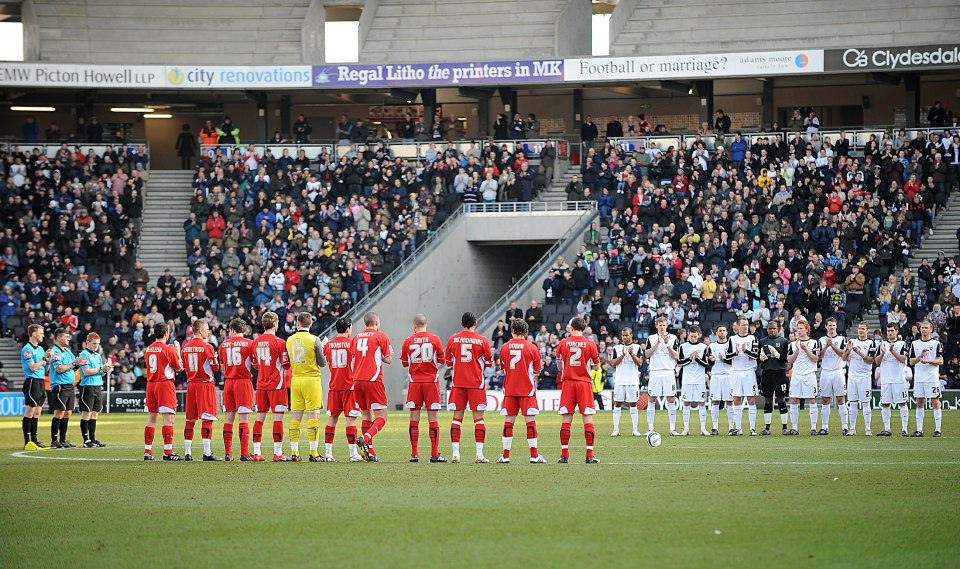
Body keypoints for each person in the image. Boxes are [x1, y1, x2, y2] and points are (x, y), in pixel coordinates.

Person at [445, 311, 493, 464]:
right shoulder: (482, 340)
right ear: (475, 324)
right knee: (478, 419)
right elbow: (489, 363)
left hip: (458, 384)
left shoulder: (453, 339)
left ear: (461, 324)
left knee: (456, 419)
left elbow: (447, 362)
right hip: (476, 384)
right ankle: (479, 454)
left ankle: (455, 453)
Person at [496, 319, 546, 464]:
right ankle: (534, 456)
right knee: (530, 421)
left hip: (510, 390)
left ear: (512, 331)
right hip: (527, 390)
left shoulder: (504, 347)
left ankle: (505, 456)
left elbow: (503, 369)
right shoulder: (532, 348)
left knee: (508, 422)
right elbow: (537, 370)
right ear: (526, 332)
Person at [400, 314, 447, 463]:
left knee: (414, 418)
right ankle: (434, 454)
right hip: (431, 382)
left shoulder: (408, 341)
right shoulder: (435, 339)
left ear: (414, 325)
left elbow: (404, 364)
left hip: (414, 383)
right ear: (426, 324)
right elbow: (442, 360)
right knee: (433, 418)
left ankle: (414, 454)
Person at [556, 317, 601, 464]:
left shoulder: (562, 343)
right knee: (587, 417)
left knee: (566, 419)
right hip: (584, 383)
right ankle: (589, 454)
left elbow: (559, 367)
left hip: (568, 383)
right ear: (583, 328)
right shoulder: (590, 344)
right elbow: (596, 367)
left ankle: (564, 455)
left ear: (571, 327)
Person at [286, 312, 328, 462]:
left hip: (296, 379)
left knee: (296, 416)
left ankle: (295, 453)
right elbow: (322, 363)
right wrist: (322, 347)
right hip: (311, 379)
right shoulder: (315, 340)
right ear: (310, 324)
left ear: (297, 324)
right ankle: (313, 453)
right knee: (313, 415)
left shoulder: (289, 340)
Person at [353, 311, 394, 462]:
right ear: (377, 323)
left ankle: (369, 452)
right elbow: (388, 359)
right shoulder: (381, 336)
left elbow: (354, 356)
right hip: (373, 379)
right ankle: (366, 437)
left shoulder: (356, 337)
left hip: (357, 380)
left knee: (366, 416)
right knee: (382, 416)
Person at [322, 317, 364, 462]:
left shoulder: (328, 345)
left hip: (334, 387)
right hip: (349, 387)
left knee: (332, 419)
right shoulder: (352, 344)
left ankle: (328, 454)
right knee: (351, 420)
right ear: (348, 329)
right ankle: (353, 454)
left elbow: (323, 361)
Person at [252, 311, 292, 462]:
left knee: (259, 418)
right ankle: (277, 453)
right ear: (275, 324)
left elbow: (255, 364)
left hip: (261, 384)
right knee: (278, 419)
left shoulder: (255, 342)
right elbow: (286, 365)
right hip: (277, 385)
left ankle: (256, 452)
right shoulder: (280, 342)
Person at [180, 320, 220, 460]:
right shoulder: (207, 346)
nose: (208, 331)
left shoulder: (186, 347)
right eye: (207, 329)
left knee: (190, 418)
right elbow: (215, 367)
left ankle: (187, 452)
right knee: (207, 418)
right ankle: (207, 452)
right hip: (204, 384)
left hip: (191, 385)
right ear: (200, 331)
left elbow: (184, 367)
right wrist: (215, 360)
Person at [143, 323, 184, 460]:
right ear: (166, 333)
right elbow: (179, 367)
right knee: (168, 418)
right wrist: (177, 351)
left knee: (151, 418)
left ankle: (147, 451)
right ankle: (168, 452)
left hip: (151, 384)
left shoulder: (148, 349)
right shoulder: (168, 349)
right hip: (164, 384)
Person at [219, 318, 255, 461]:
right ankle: (244, 453)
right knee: (244, 418)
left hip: (229, 382)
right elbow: (256, 364)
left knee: (229, 418)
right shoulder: (249, 344)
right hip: (243, 382)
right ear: (244, 330)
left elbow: (222, 368)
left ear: (231, 330)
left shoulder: (223, 345)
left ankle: (228, 453)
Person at [49, 328, 86, 449]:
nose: (68, 338)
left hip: (70, 386)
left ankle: (63, 439)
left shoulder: (68, 352)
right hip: (60, 385)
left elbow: (72, 367)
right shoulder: (55, 352)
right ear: (58, 337)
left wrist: (78, 364)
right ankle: (54, 440)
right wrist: (74, 364)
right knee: (59, 412)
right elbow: (59, 368)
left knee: (68, 413)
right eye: (66, 336)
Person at [644, 317, 680, 435]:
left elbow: (676, 356)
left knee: (671, 398)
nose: (662, 327)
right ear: (656, 326)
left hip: (668, 371)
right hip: (655, 371)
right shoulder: (651, 338)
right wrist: (658, 344)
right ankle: (650, 428)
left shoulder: (673, 338)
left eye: (664, 325)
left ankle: (672, 429)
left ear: (667, 325)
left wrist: (667, 344)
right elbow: (647, 354)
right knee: (652, 398)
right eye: (660, 325)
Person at [725, 316, 760, 436]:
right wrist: (736, 352)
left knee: (751, 398)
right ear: (738, 326)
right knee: (736, 399)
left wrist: (745, 351)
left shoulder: (753, 338)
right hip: (736, 372)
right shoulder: (732, 339)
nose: (746, 327)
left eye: (747, 325)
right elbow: (727, 357)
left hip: (749, 371)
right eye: (743, 325)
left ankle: (752, 428)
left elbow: (756, 355)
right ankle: (738, 428)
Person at [909, 321, 944, 437]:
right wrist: (920, 357)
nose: (924, 330)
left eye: (926, 328)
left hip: (932, 377)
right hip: (919, 378)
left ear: (930, 329)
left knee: (935, 402)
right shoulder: (915, 344)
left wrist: (929, 361)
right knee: (919, 402)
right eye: (922, 328)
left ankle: (937, 430)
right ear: (919, 330)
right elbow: (911, 362)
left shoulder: (936, 343)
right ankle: (919, 430)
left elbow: (940, 360)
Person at [786, 319, 820, 436]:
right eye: (798, 328)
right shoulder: (792, 344)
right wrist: (797, 350)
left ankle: (813, 428)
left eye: (801, 328)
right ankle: (794, 428)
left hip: (809, 374)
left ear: (807, 329)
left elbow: (816, 359)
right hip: (796, 374)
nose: (799, 331)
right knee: (794, 400)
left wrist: (805, 349)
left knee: (812, 399)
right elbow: (789, 360)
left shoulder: (814, 343)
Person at [78, 332, 112, 448]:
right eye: (93, 343)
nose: (96, 346)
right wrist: (100, 368)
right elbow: (86, 372)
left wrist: (105, 370)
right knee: (86, 413)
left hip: (97, 386)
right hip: (88, 386)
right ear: (87, 342)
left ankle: (92, 438)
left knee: (94, 414)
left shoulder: (97, 356)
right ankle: (86, 440)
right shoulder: (83, 354)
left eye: (97, 344)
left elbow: (99, 372)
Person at [20, 324, 51, 450]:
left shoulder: (40, 349)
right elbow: (33, 367)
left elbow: (45, 368)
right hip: (32, 381)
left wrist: (47, 360)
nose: (43, 335)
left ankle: (35, 440)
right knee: (30, 410)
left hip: (40, 381)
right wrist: (44, 359)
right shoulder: (27, 349)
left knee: (37, 411)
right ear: (33, 333)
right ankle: (27, 441)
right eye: (41, 333)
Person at [876, 323, 910, 437]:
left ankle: (904, 429)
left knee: (902, 403)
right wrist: (883, 352)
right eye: (888, 330)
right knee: (885, 404)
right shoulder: (882, 344)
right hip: (885, 379)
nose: (890, 333)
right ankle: (887, 429)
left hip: (898, 379)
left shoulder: (902, 344)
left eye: (892, 330)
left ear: (897, 331)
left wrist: (893, 351)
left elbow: (903, 359)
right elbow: (877, 361)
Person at [817, 317, 849, 435]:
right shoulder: (821, 340)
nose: (831, 327)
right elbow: (818, 357)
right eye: (829, 325)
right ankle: (824, 427)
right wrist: (826, 346)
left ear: (836, 326)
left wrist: (832, 346)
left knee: (840, 399)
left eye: (833, 325)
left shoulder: (841, 339)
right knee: (825, 400)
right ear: (826, 326)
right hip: (825, 371)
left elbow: (843, 354)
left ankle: (845, 427)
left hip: (838, 370)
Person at [678, 325, 711, 436]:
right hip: (687, 379)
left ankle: (703, 428)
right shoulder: (683, 347)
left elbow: (707, 364)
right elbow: (680, 362)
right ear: (688, 335)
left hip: (699, 379)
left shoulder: (703, 347)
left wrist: (697, 358)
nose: (693, 338)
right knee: (686, 403)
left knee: (701, 403)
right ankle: (686, 429)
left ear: (699, 335)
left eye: (695, 336)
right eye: (691, 336)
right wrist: (689, 358)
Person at [845, 322, 877, 436]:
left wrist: (859, 352)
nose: (861, 330)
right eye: (859, 328)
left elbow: (871, 360)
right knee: (852, 403)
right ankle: (852, 428)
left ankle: (867, 428)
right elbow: (843, 358)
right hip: (853, 376)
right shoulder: (852, 341)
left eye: (863, 329)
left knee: (865, 403)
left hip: (865, 376)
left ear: (867, 330)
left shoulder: (871, 343)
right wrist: (848, 350)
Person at [758, 320, 789, 435]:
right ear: (767, 329)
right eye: (770, 329)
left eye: (774, 328)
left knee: (781, 399)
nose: (772, 330)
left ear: (778, 329)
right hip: (766, 372)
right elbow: (757, 358)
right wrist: (760, 359)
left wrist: (778, 355)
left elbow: (786, 358)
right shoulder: (762, 341)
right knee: (767, 399)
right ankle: (767, 428)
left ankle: (785, 427)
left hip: (780, 373)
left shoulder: (784, 341)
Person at [610, 327, 642, 437]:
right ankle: (615, 429)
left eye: (626, 335)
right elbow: (613, 363)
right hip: (619, 380)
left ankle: (635, 430)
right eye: (623, 335)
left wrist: (632, 354)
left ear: (631, 335)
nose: (624, 337)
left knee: (633, 404)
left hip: (632, 381)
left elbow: (640, 363)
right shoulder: (616, 348)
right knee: (617, 403)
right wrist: (623, 355)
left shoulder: (637, 348)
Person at [708, 325, 733, 435]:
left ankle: (731, 427)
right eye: (720, 331)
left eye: (723, 331)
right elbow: (709, 364)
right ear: (716, 333)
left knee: (730, 401)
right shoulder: (711, 346)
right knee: (715, 401)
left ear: (726, 333)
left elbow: (734, 361)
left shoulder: (730, 345)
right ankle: (715, 427)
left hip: (728, 375)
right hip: (716, 375)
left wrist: (724, 360)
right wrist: (712, 361)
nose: (722, 332)